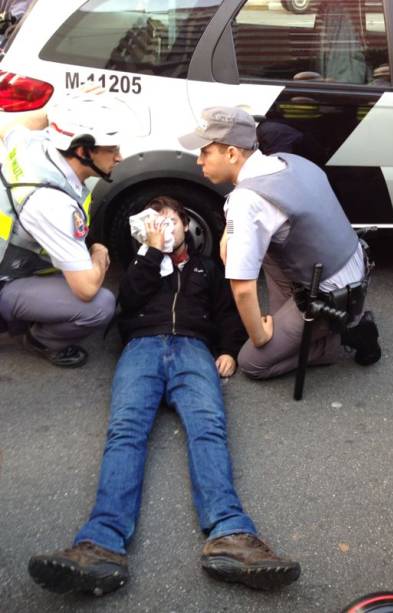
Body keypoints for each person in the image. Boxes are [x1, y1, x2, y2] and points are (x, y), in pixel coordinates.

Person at [27, 196, 301, 596]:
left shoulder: (208, 267)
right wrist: (152, 253)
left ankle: (232, 534)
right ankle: (101, 543)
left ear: (186, 227)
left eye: (170, 221)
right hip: (141, 349)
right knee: (125, 433)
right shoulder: (143, 264)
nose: (164, 227)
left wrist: (227, 348)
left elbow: (227, 312)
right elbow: (128, 304)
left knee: (208, 430)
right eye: (156, 222)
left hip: (194, 349)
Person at [179, 106, 381, 380]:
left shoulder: (248, 201)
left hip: (334, 299)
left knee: (252, 361)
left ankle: (342, 338)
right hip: (350, 267)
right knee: (264, 249)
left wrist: (260, 337)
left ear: (231, 153)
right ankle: (302, 329)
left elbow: (242, 289)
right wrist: (232, 228)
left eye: (205, 152)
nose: (199, 161)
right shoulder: (285, 161)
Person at [0, 92, 131, 367]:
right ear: (83, 151)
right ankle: (40, 339)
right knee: (100, 304)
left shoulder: (33, 144)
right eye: (112, 149)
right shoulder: (52, 205)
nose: (119, 157)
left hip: (10, 256)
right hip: (6, 279)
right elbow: (85, 289)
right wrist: (98, 252)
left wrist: (59, 111)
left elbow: (9, 127)